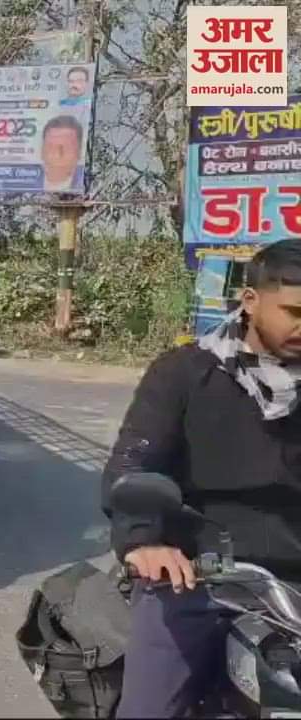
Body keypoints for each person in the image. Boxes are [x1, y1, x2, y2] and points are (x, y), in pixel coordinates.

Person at [103, 238, 301, 718]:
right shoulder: (185, 373)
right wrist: (144, 542)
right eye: (293, 311)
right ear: (250, 301)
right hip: (199, 574)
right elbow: (134, 464)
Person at [40, 115, 84, 192]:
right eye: (51, 147)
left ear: (79, 153)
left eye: (66, 148)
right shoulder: (22, 185)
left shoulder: (89, 187)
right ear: (42, 151)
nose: (57, 155)